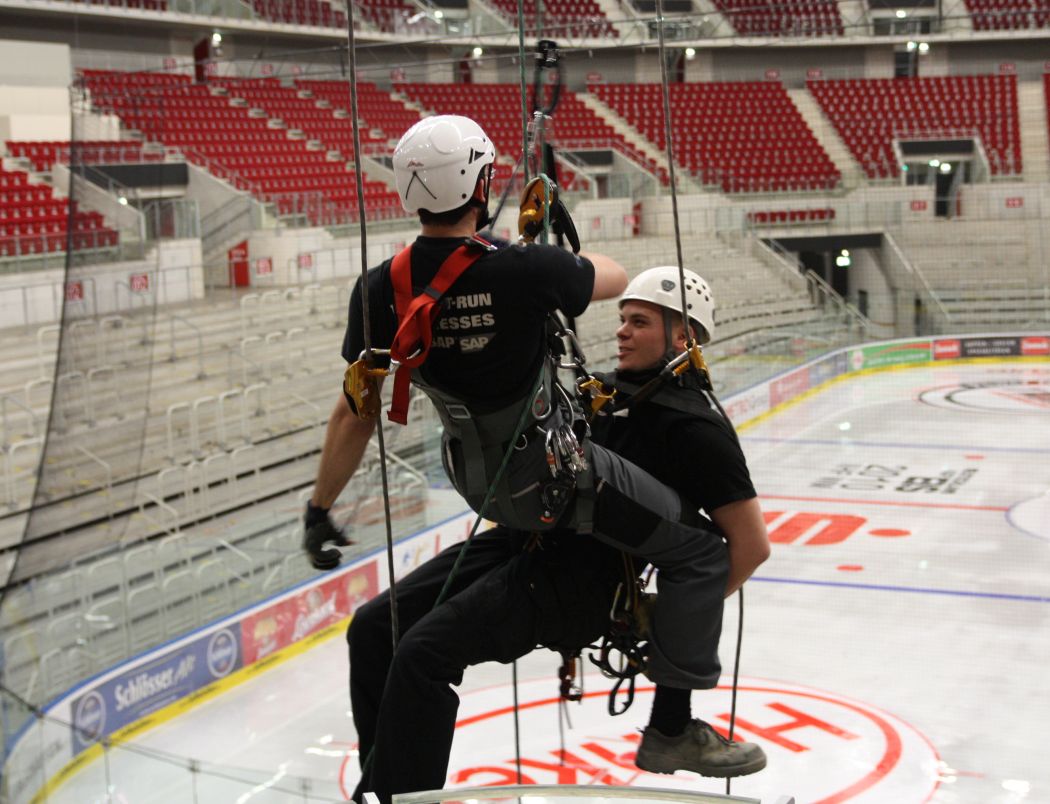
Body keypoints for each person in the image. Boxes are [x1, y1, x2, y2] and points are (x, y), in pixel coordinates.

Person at [303, 114, 762, 799]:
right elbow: (611, 273)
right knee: (697, 551)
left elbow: (355, 410)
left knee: (384, 637)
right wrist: (544, 256)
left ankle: (395, 785)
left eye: (641, 322)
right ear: (484, 182)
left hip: (491, 494)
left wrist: (319, 508)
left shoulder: (378, 292)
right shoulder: (523, 271)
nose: (624, 331)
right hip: (550, 491)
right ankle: (394, 789)